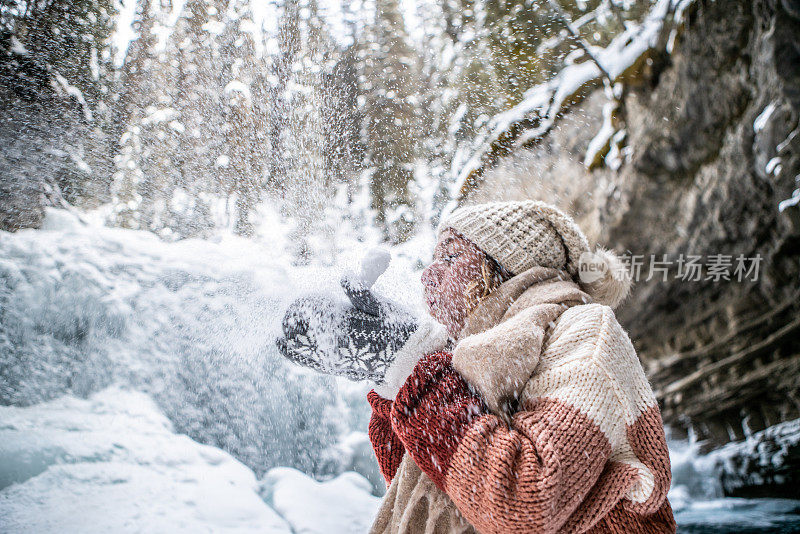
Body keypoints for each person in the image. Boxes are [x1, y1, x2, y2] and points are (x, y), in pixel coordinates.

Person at [278, 200, 676, 534]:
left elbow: (528, 498)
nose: (428, 274)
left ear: (503, 271)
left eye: (451, 257)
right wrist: (387, 375)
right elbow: (430, 480)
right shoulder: (464, 357)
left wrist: (408, 362)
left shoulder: (584, 331)